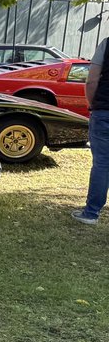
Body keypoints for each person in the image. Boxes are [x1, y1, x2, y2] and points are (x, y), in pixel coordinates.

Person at [72, 35, 108, 224]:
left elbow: (92, 80)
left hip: (105, 111)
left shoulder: (107, 44)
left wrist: (93, 104)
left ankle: (91, 213)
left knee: (102, 164)